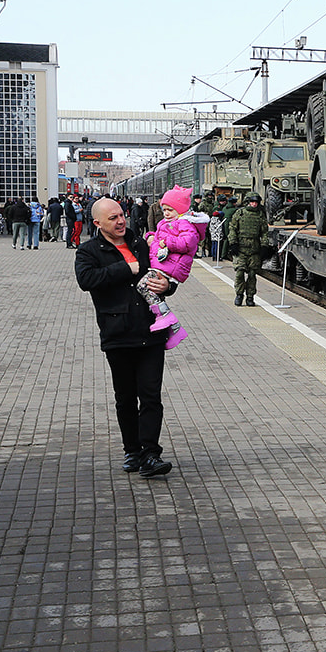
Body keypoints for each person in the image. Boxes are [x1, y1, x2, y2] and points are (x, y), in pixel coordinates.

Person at [74, 198, 175, 478]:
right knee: (126, 398)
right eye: (112, 218)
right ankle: (132, 450)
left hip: (151, 330)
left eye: (122, 215)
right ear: (98, 224)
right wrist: (124, 269)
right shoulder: (88, 251)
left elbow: (162, 274)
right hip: (117, 333)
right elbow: (86, 280)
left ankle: (151, 454)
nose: (120, 221)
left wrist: (168, 286)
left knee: (151, 396)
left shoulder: (141, 244)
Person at [142, 186, 209, 349]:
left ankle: (165, 316)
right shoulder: (168, 223)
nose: (165, 213)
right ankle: (174, 330)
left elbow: (188, 243)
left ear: (179, 209)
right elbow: (158, 235)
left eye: (170, 209)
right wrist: (150, 237)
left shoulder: (185, 223)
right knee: (146, 287)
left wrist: (166, 242)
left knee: (143, 286)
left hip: (171, 266)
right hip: (164, 263)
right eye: (164, 209)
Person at [228, 192, 269, 306]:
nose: (254, 204)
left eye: (256, 202)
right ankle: (239, 294)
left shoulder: (260, 216)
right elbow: (232, 229)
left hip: (254, 249)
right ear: (247, 202)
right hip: (241, 248)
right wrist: (233, 243)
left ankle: (250, 297)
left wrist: (264, 246)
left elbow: (264, 232)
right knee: (239, 273)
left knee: (252, 274)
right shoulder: (239, 214)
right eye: (252, 202)